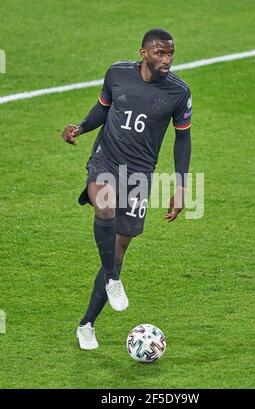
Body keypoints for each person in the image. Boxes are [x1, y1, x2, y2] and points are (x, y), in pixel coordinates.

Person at [61, 28, 192, 350]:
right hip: (106, 160)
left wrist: (181, 185)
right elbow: (103, 109)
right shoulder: (117, 73)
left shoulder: (178, 92)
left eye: (170, 53)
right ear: (144, 53)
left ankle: (86, 324)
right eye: (160, 53)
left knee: (119, 249)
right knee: (104, 206)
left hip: (139, 175)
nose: (167, 59)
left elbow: (183, 138)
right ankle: (112, 278)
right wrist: (80, 127)